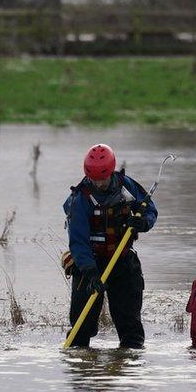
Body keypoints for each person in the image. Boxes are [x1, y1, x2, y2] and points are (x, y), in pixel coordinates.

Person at [61, 143, 157, 349]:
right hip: (90, 265)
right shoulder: (80, 199)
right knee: (81, 328)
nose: (100, 184)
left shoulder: (127, 186)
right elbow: (78, 241)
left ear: (111, 171)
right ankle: (82, 371)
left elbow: (149, 210)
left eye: (103, 178)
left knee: (130, 329)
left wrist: (143, 223)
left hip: (123, 261)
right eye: (94, 179)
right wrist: (89, 272)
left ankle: (128, 370)